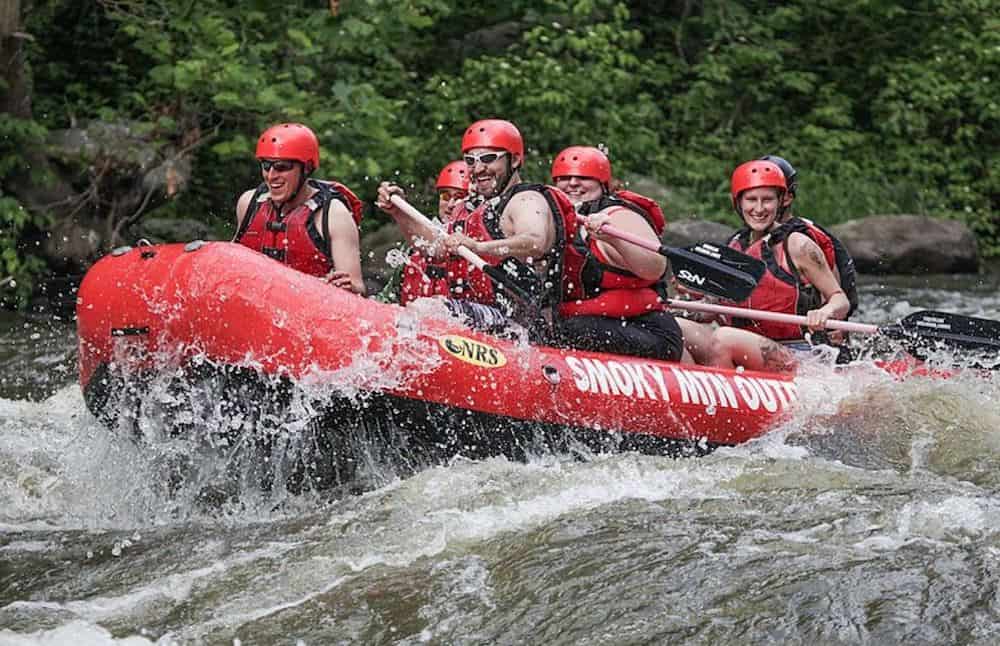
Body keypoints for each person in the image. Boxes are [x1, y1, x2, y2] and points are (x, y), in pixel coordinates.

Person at [376, 119, 577, 336]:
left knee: (427, 310)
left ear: (515, 160)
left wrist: (479, 247)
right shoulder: (472, 207)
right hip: (478, 315)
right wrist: (400, 213)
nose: (478, 168)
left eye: (489, 159)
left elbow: (535, 242)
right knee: (415, 308)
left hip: (520, 325)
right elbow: (435, 249)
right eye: (470, 160)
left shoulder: (526, 200)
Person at [697, 159, 851, 371]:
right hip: (745, 344)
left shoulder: (798, 244)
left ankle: (722, 397)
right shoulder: (733, 247)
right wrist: (682, 306)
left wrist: (826, 312)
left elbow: (840, 299)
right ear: (738, 202)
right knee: (681, 329)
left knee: (723, 338)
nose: (759, 209)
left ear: (781, 201)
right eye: (751, 200)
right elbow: (713, 309)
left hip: (799, 353)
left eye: (767, 200)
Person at [549, 146, 685, 362]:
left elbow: (655, 267)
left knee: (564, 329)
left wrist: (612, 239)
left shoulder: (616, 215)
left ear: (602, 183)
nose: (573, 183)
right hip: (598, 324)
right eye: (565, 177)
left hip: (648, 330)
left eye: (584, 177)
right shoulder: (557, 217)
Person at [234, 122, 366, 295]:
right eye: (266, 165)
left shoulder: (334, 215)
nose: (272, 176)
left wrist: (350, 288)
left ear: (306, 168)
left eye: (282, 167)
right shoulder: (249, 202)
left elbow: (359, 288)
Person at [393, 160, 472, 305]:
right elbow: (389, 297)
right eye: (445, 196)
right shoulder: (416, 243)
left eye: (460, 197)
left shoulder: (478, 243)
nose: (450, 205)